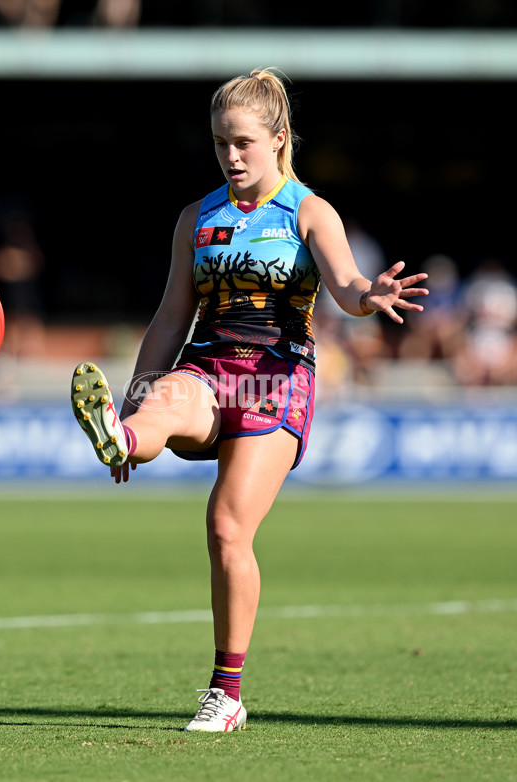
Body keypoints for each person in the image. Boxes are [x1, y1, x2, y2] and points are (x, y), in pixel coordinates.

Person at [71, 68, 428, 732]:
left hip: (277, 380)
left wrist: (367, 297)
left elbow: (346, 283)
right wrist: (130, 403)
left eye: (242, 142)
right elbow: (170, 321)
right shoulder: (196, 219)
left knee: (227, 529)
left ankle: (226, 695)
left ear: (279, 138)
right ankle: (121, 438)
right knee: (161, 401)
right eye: (219, 144)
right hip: (210, 365)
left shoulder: (308, 211)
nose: (230, 156)